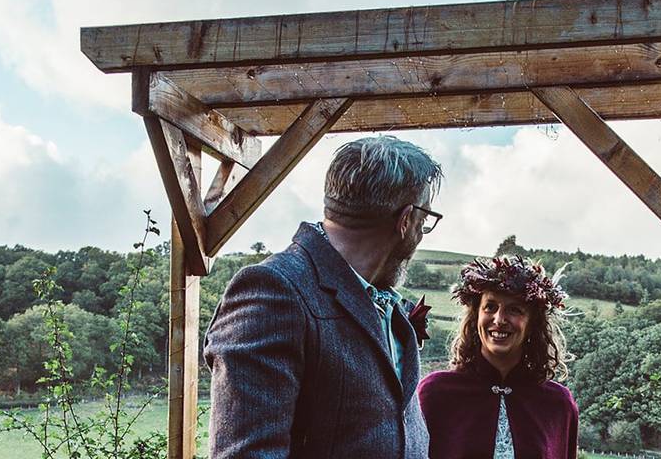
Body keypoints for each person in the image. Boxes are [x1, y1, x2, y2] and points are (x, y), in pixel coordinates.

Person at [204, 136, 443, 459]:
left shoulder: (387, 305)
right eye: (424, 220)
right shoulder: (273, 291)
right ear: (406, 220)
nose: (419, 233)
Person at [418, 256, 578, 459]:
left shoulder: (558, 405)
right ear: (476, 316)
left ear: (532, 324)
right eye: (490, 307)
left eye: (514, 310)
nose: (500, 319)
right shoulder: (436, 394)